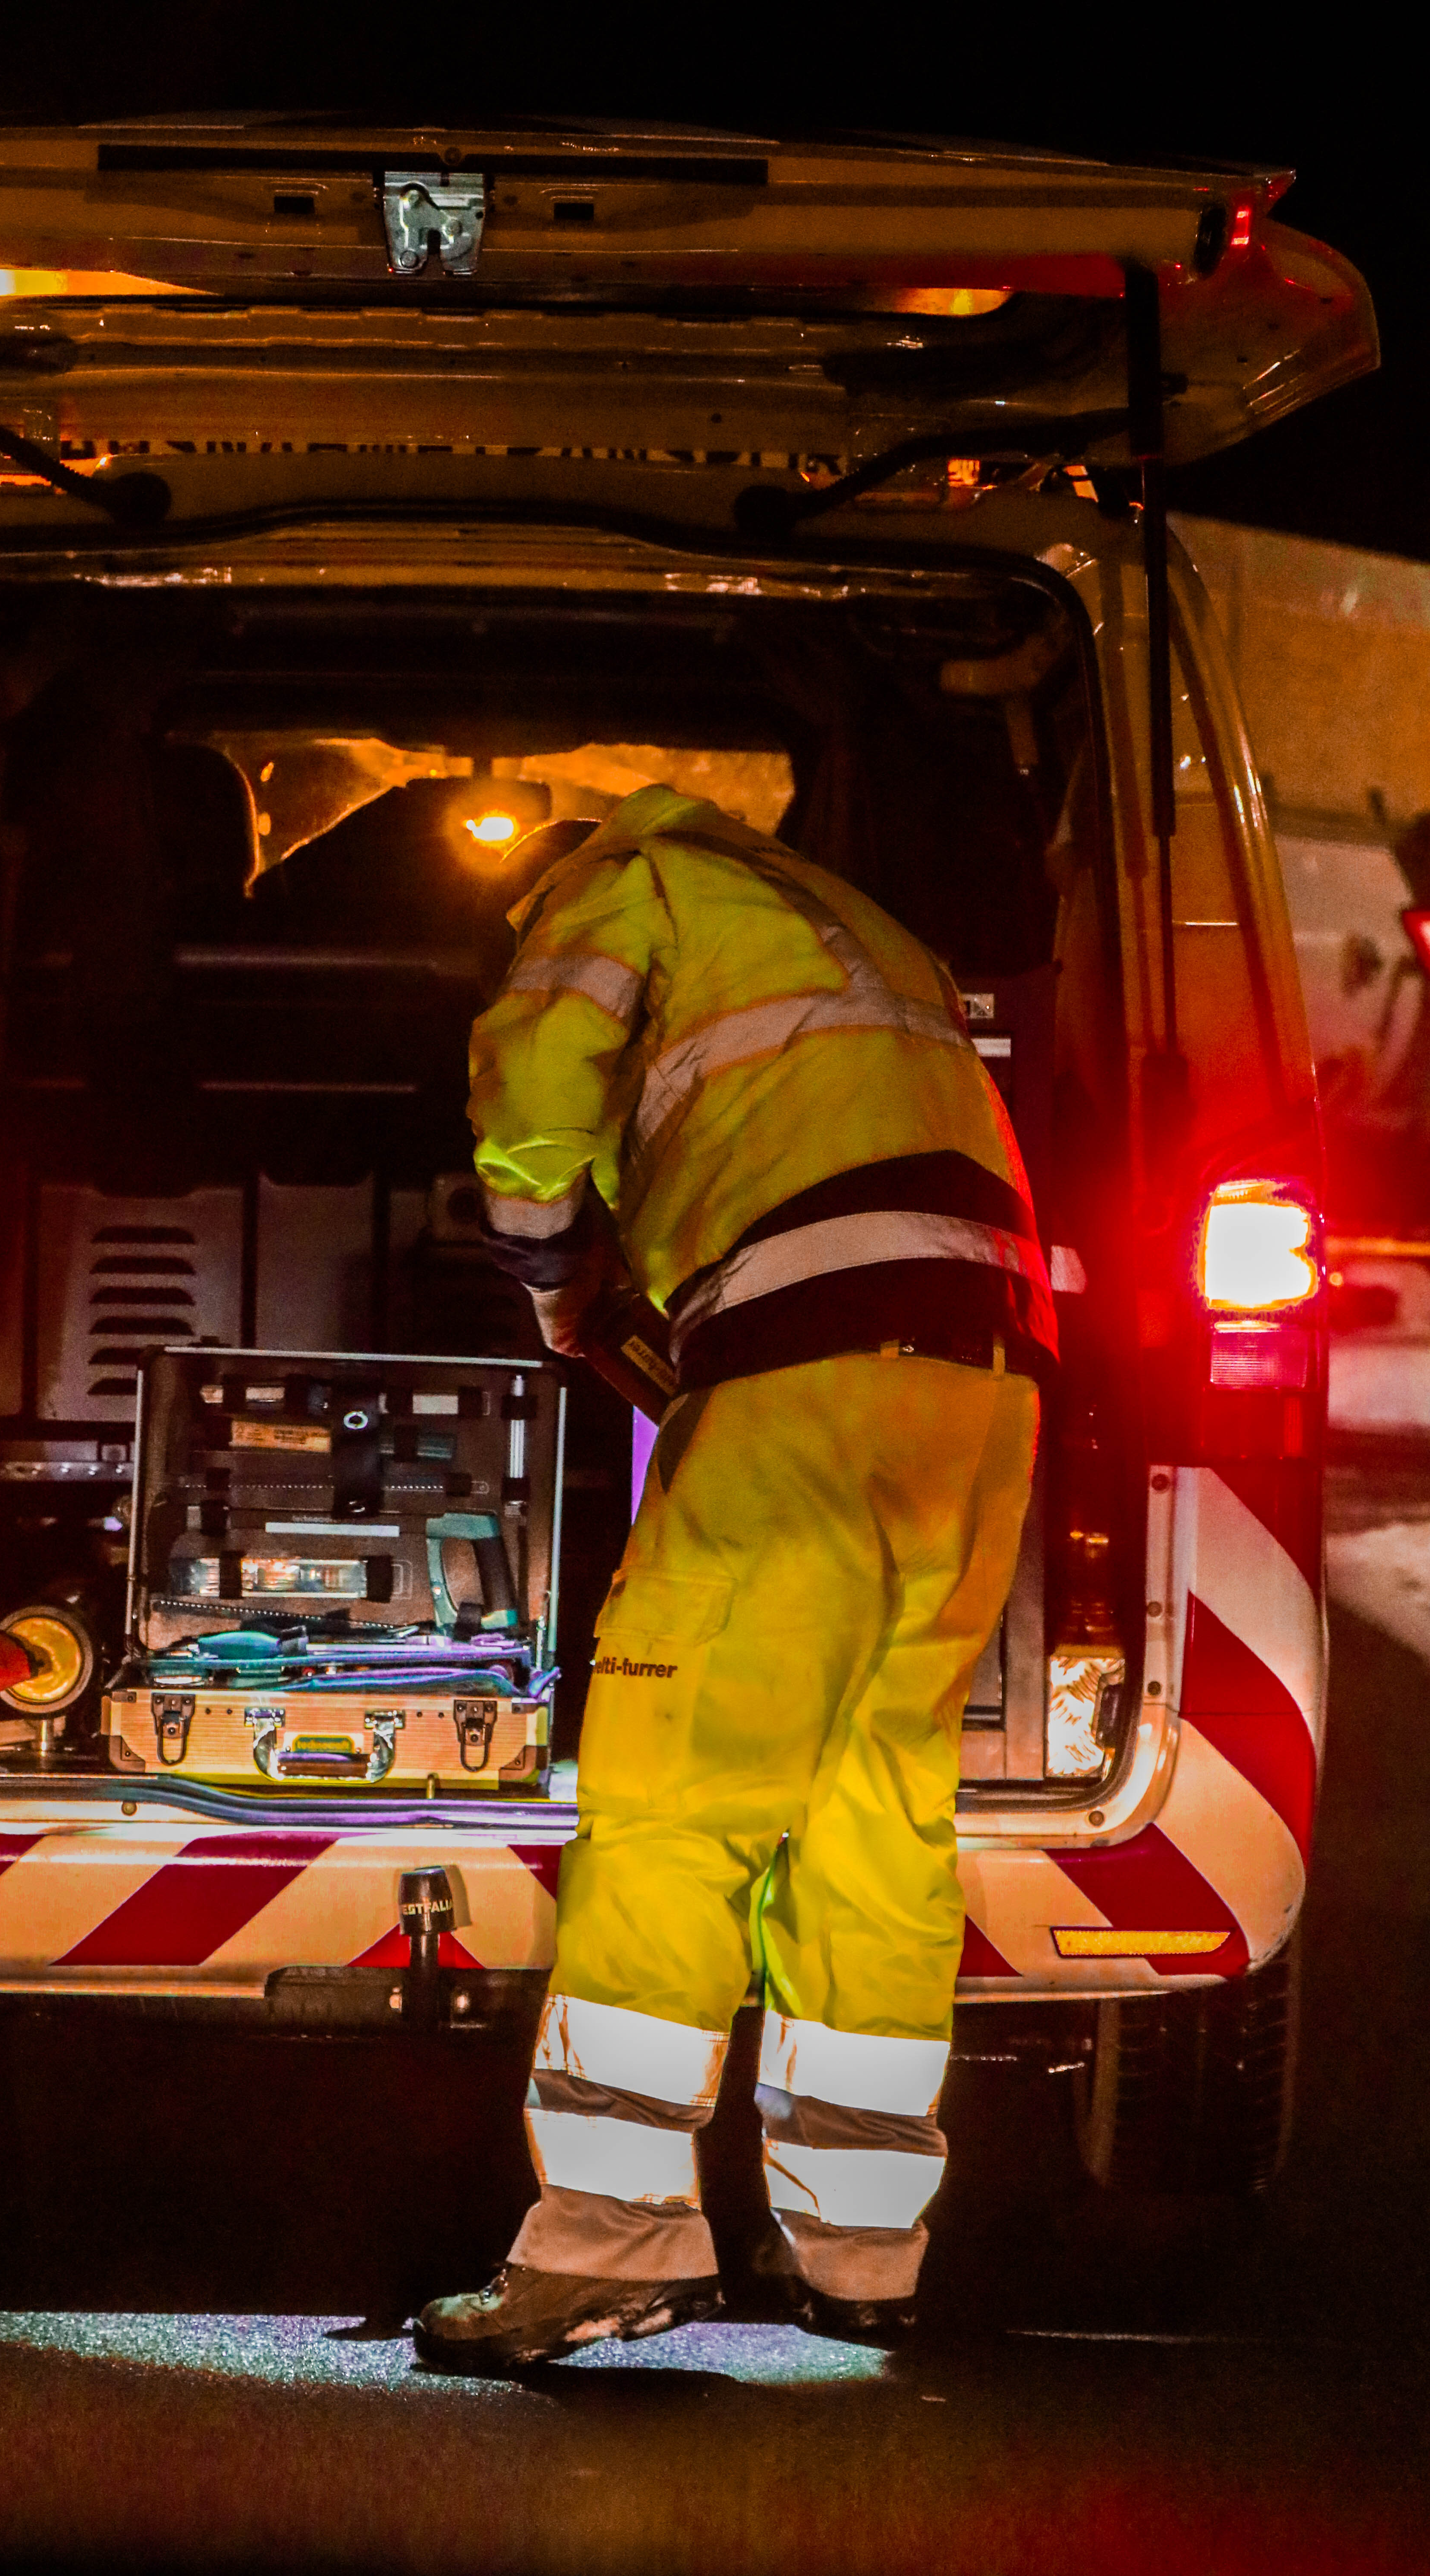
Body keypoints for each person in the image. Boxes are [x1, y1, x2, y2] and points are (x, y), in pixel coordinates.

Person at [414, 783, 1056, 2371]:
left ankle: (607, 2246)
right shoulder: (845, 925)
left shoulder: (625, 883)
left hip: (808, 1381)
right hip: (982, 1391)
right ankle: (860, 2254)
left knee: (672, 1794)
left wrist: (554, 1274)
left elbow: (537, 1078)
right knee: (872, 1809)